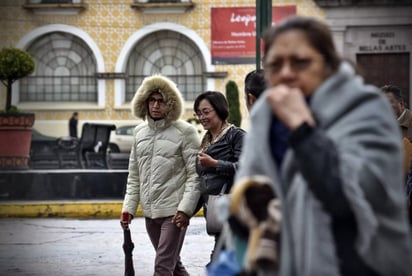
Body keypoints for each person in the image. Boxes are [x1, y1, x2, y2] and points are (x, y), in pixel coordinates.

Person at [233, 16, 412, 276]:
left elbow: (350, 201)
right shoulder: (265, 115)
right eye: (275, 65)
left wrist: (302, 129)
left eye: (301, 62)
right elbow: (248, 201)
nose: (285, 73)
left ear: (328, 66)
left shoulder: (366, 109)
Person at [120, 74, 201, 276]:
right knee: (174, 266)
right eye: (152, 100)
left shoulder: (186, 131)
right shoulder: (139, 133)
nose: (155, 105)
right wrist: (128, 209)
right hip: (150, 214)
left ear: (170, 104)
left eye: (161, 101)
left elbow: (195, 175)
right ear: (144, 102)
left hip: (174, 215)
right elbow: (134, 176)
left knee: (162, 267)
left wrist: (185, 209)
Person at [193, 91, 245, 262]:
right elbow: (203, 180)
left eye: (206, 112)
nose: (202, 117)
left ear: (220, 109)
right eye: (199, 113)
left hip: (233, 209)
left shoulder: (236, 136)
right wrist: (188, 212)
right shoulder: (206, 140)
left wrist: (214, 164)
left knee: (219, 261)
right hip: (214, 210)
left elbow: (244, 168)